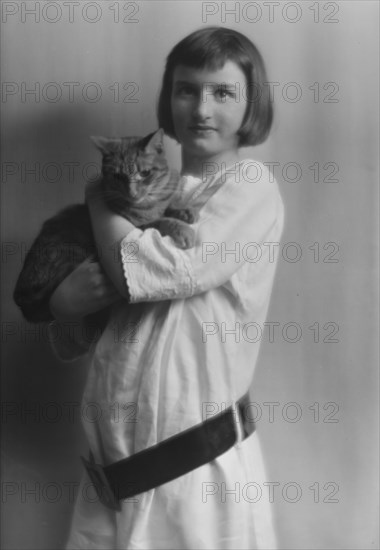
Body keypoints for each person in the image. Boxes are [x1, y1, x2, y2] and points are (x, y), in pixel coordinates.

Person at [49, 26, 285, 550]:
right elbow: (93, 325)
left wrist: (97, 199)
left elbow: (172, 270)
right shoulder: (145, 197)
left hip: (196, 477)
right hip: (110, 480)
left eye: (223, 92)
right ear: (168, 99)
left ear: (252, 107)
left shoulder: (250, 187)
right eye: (186, 89)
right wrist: (64, 309)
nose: (201, 107)